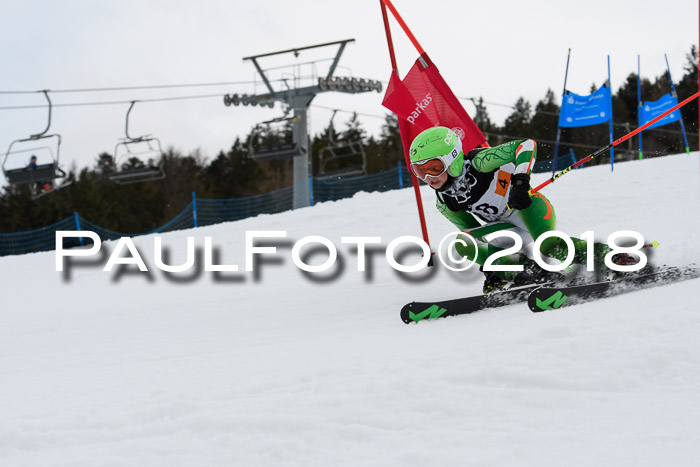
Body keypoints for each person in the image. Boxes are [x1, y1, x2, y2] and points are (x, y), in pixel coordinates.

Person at [409, 126, 634, 293]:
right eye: (420, 171)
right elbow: (475, 234)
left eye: (435, 168)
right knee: (463, 242)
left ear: (453, 159)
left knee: (549, 244)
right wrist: (496, 264)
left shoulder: (480, 162)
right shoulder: (444, 202)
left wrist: (520, 181)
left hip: (529, 208)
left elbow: (526, 145)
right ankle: (527, 272)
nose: (429, 178)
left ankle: (609, 257)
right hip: (505, 227)